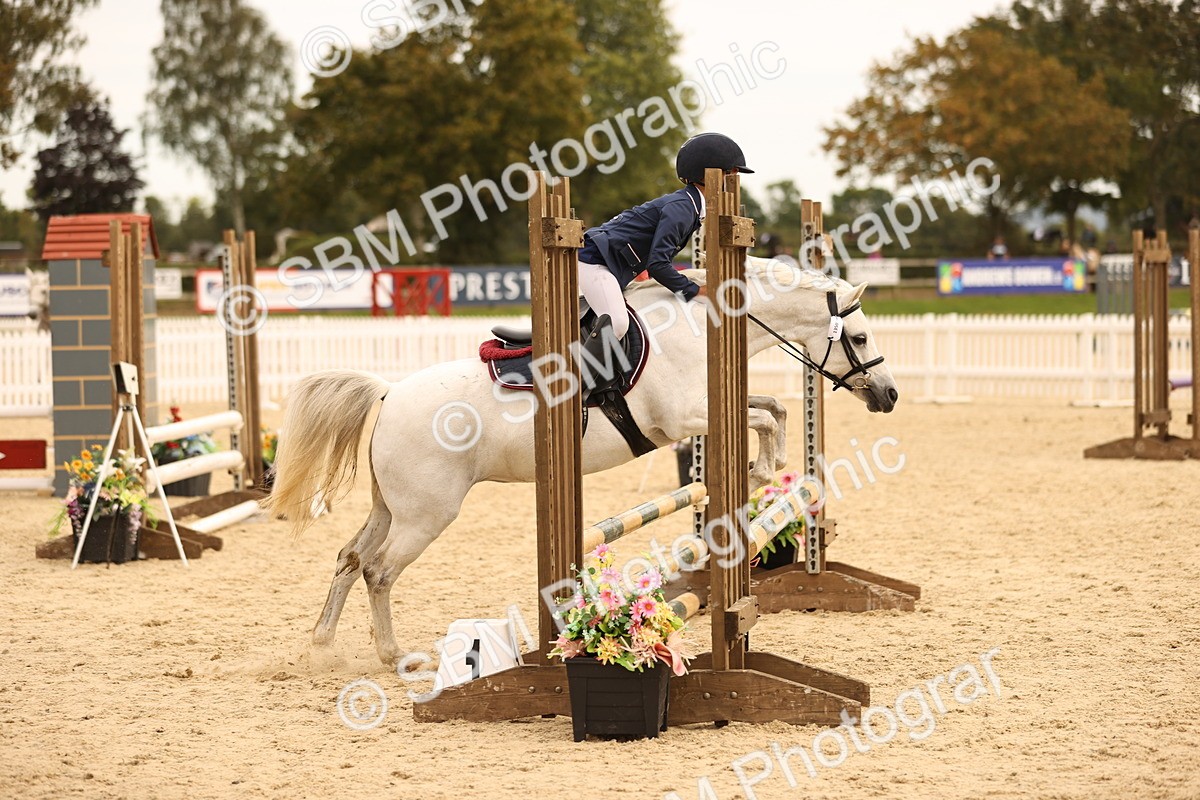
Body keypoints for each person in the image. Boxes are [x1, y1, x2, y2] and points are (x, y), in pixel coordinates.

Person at [575, 132, 754, 400]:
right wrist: (694, 291)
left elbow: (651, 253)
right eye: (731, 174)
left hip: (609, 261)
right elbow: (660, 264)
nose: (734, 182)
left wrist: (643, 268)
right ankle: (576, 392)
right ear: (711, 175)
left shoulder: (689, 205)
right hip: (594, 261)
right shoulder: (683, 208)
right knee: (619, 323)